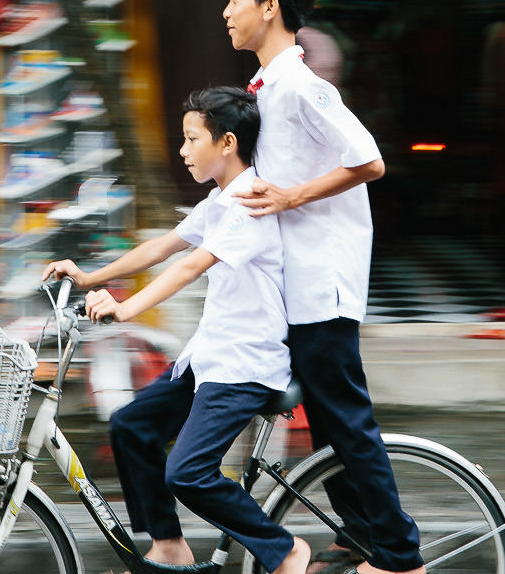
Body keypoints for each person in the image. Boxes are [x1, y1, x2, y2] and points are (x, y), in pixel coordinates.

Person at [43, 86, 311, 574]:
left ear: (227, 143)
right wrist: (88, 276)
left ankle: (284, 550)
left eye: (191, 139)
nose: (183, 150)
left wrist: (126, 309)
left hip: (244, 365)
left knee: (187, 472)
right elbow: (160, 249)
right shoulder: (219, 201)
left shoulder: (251, 200)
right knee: (131, 427)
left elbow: (190, 267)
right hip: (210, 358)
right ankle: (168, 545)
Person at [224, 0, 426, 574]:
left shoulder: (303, 87)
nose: (226, 12)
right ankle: (360, 531)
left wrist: (291, 195)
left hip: (324, 281)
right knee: (326, 417)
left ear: (270, 6)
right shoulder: (270, 86)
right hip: (299, 281)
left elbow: (369, 159)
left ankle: (398, 554)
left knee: (346, 418)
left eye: (235, 0)